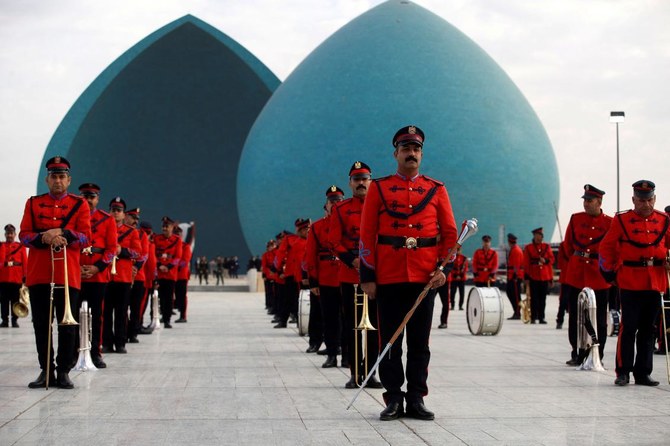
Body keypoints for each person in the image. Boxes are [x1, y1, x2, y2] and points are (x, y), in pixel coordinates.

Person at [360, 125, 457, 421]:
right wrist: (367, 276)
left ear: (421, 154)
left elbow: (451, 233)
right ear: (396, 153)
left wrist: (445, 269)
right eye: (405, 149)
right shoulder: (378, 187)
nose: (411, 154)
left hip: (424, 278)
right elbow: (366, 233)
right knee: (390, 341)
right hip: (388, 276)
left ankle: (416, 398)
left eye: (415, 149)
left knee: (419, 344)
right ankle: (393, 398)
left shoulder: (436, 189)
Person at [19, 156, 91, 389]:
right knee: (41, 325)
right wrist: (44, 237)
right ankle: (46, 370)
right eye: (54, 176)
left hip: (67, 274)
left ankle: (63, 371)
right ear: (47, 179)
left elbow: (85, 236)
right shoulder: (32, 203)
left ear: (68, 180)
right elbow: (24, 236)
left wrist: (61, 232)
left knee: (67, 326)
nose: (58, 181)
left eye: (62, 176)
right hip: (40, 274)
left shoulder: (80, 205)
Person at [600, 180, 670, 386]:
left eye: (649, 200)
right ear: (633, 200)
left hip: (655, 281)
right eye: (641, 200)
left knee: (649, 329)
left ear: (654, 199)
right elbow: (606, 248)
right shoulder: (621, 220)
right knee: (628, 327)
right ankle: (622, 371)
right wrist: (610, 275)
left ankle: (643, 373)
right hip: (630, 280)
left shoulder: (664, 220)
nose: (646, 204)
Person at [329, 161, 382, 389]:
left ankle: (372, 373)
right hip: (350, 276)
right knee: (353, 326)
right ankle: (355, 373)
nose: (361, 183)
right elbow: (334, 242)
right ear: (350, 183)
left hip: (377, 276)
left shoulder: (382, 206)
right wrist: (353, 260)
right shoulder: (341, 209)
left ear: (371, 180)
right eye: (357, 179)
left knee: (375, 328)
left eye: (365, 178)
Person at [562, 185, 612, 365]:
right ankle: (577, 352)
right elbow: (567, 246)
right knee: (576, 316)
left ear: (599, 202)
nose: (586, 203)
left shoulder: (609, 223)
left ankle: (597, 353)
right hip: (577, 274)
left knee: (599, 319)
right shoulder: (576, 219)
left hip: (598, 276)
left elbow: (612, 249)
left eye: (589, 201)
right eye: (584, 200)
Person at [305, 185, 345, 367]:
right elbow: (311, 254)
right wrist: (313, 280)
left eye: (339, 200)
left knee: (348, 319)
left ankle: (348, 356)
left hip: (347, 276)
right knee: (329, 318)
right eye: (332, 201)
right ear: (326, 205)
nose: (335, 203)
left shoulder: (351, 223)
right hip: (327, 279)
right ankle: (331, 354)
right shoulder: (317, 227)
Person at [78, 183, 116, 368]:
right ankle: (73, 353)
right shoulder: (72, 218)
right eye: (85, 197)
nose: (88, 201)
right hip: (76, 274)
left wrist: (97, 267)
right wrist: (77, 267)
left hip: (97, 275)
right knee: (73, 316)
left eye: (91, 197)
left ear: (97, 199)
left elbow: (111, 250)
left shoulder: (107, 220)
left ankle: (95, 353)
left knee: (97, 315)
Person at [103, 197, 140, 354]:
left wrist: (122, 251)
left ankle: (120, 342)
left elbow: (137, 252)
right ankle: (106, 343)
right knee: (105, 312)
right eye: (113, 210)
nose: (115, 213)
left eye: (119, 211)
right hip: (106, 276)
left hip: (123, 277)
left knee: (121, 311)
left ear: (124, 214)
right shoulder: (103, 228)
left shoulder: (132, 232)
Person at [273, 219, 311, 328]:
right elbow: (281, 253)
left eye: (308, 229)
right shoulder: (290, 239)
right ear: (299, 230)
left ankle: (303, 323)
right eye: (304, 229)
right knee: (288, 298)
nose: (307, 232)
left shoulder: (312, 240)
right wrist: (277, 268)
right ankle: (283, 320)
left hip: (306, 275)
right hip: (292, 274)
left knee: (305, 300)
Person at [153, 216, 182, 328]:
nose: (165, 229)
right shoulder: (157, 239)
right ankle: (158, 317)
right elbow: (154, 254)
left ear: (172, 227)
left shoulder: (177, 240)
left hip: (170, 274)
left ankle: (167, 319)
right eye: (163, 226)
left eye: (167, 226)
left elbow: (178, 256)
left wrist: (168, 267)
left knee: (169, 298)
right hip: (159, 273)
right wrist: (159, 265)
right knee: (159, 297)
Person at [124, 207, 148, 342]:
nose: (135, 221)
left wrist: (135, 268)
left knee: (135, 307)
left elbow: (144, 255)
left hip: (137, 277)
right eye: (133, 218)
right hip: (122, 276)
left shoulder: (141, 235)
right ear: (125, 216)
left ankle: (133, 333)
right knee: (122, 307)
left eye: (137, 219)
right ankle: (123, 332)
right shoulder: (118, 231)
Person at [523, 227, 554, 324]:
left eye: (539, 236)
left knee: (543, 298)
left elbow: (552, 260)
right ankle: (533, 317)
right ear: (534, 236)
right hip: (533, 276)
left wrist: (546, 261)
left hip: (544, 276)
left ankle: (541, 317)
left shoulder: (547, 247)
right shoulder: (528, 248)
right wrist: (526, 277)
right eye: (536, 236)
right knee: (534, 298)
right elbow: (526, 263)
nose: (538, 238)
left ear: (542, 237)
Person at [0, 224, 27, 328]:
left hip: (16, 278)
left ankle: (15, 320)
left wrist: (25, 277)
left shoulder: (20, 246)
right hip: (3, 278)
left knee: (15, 301)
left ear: (15, 234)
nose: (9, 235)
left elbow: (25, 261)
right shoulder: (1, 246)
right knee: (4, 301)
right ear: (5, 234)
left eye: (11, 233)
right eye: (8, 233)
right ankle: (4, 320)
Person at [174, 225, 192, 323]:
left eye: (178, 233)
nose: (176, 235)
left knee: (182, 295)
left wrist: (172, 267)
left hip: (181, 275)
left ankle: (183, 316)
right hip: (172, 275)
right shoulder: (171, 245)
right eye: (175, 233)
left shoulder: (185, 246)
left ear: (181, 235)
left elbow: (185, 260)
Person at [505, 233, 524, 320]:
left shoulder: (516, 250)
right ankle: (516, 311)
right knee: (510, 293)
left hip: (514, 277)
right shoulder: (514, 249)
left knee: (516, 295)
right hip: (512, 276)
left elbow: (516, 265)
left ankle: (517, 312)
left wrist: (514, 276)